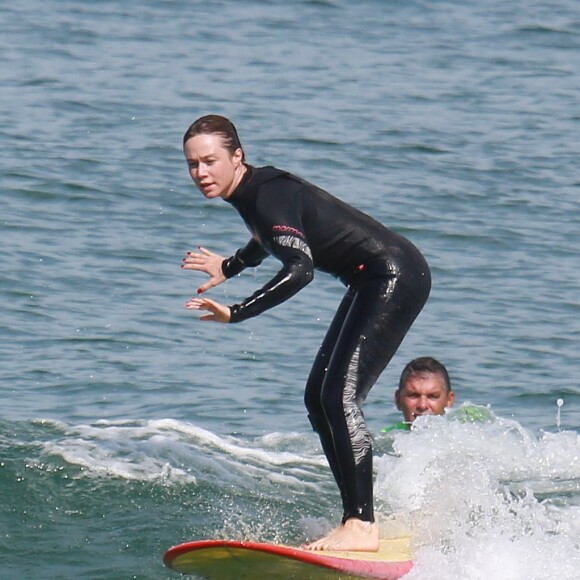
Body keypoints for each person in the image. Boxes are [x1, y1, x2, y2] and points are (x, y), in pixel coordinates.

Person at [180, 114, 431, 552]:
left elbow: (300, 270)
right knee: (319, 396)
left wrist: (237, 313)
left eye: (210, 161)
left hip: (394, 276)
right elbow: (273, 236)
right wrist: (231, 265)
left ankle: (362, 525)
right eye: (192, 165)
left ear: (237, 157)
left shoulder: (265, 197)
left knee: (339, 396)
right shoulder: (257, 190)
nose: (201, 173)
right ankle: (354, 518)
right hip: (372, 278)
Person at [384, 357, 455, 432]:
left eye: (433, 396)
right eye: (414, 395)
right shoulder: (385, 439)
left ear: (449, 400)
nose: (422, 405)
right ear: (398, 400)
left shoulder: (463, 437)